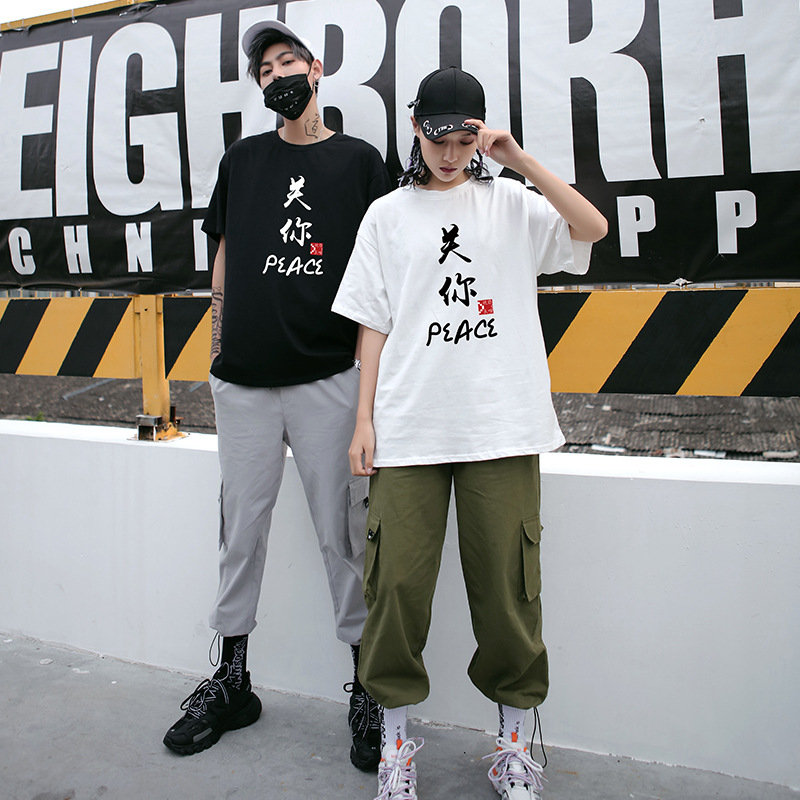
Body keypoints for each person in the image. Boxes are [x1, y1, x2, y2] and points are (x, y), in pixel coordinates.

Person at [332, 67, 608, 799]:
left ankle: (513, 747)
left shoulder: (511, 202)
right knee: (395, 590)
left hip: (501, 426)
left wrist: (516, 158)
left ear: (479, 135)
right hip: (409, 429)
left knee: (509, 595)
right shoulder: (386, 216)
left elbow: (592, 229)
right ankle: (395, 747)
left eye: (463, 140)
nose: (450, 154)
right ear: (415, 130)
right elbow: (372, 322)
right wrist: (363, 420)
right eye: (437, 139)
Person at [162, 19, 391, 772]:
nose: (278, 76)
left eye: (288, 62)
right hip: (245, 385)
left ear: (316, 69)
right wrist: (218, 341)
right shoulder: (244, 159)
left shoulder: (360, 162)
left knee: (344, 535)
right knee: (240, 530)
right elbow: (226, 250)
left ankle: (366, 686)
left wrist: (368, 378)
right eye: (265, 70)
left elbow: (385, 265)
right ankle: (232, 679)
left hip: (329, 377)